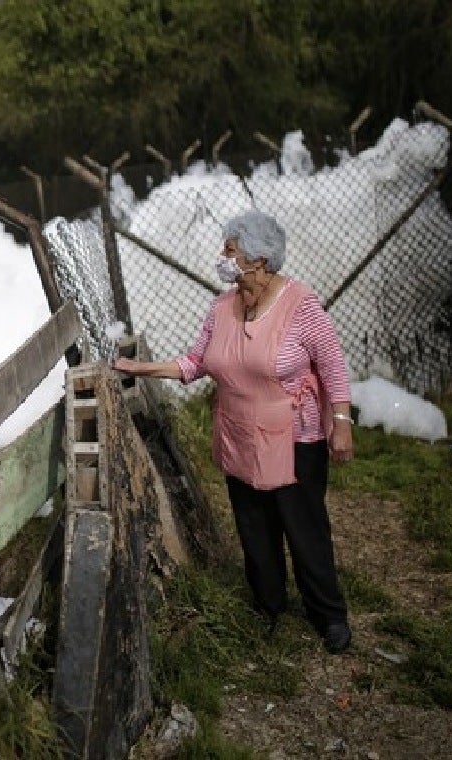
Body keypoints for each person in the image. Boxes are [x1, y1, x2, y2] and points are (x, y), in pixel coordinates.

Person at [113, 210, 356, 654]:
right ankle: (268, 608)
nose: (222, 258)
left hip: (295, 439)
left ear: (260, 260)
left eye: (231, 250)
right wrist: (140, 368)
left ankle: (329, 615)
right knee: (254, 527)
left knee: (303, 529)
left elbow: (333, 365)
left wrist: (340, 423)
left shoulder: (302, 306)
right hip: (240, 434)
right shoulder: (221, 307)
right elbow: (195, 363)